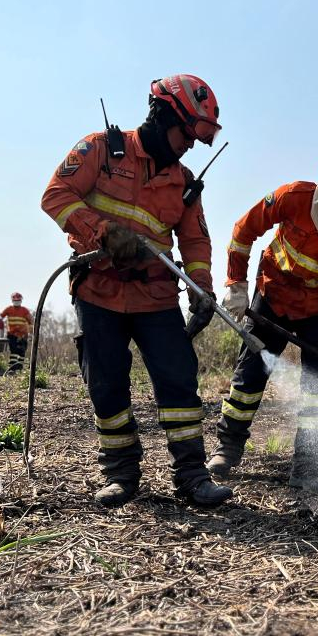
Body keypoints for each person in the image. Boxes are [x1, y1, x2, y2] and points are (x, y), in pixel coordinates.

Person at [40, 74, 231, 510]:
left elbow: (195, 242)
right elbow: (55, 195)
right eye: (187, 134)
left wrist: (201, 290)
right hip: (98, 292)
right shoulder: (100, 150)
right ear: (164, 116)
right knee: (106, 384)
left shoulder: (184, 183)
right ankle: (121, 474)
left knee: (179, 381)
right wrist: (103, 232)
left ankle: (192, 475)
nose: (190, 145)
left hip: (156, 298)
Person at [207, 150, 318, 488]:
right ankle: (227, 448)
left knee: (317, 391)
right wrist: (236, 285)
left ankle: (309, 466)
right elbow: (244, 230)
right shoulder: (293, 197)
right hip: (272, 298)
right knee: (249, 377)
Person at [0, 292, 32, 372]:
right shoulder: (8, 309)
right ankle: (12, 367)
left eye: (18, 300)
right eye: (15, 300)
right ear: (12, 300)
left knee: (22, 351)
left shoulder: (24, 310)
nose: (16, 302)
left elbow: (31, 321)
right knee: (14, 351)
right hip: (12, 334)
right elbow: (0, 317)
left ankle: (19, 367)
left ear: (21, 300)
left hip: (23, 335)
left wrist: (30, 333)